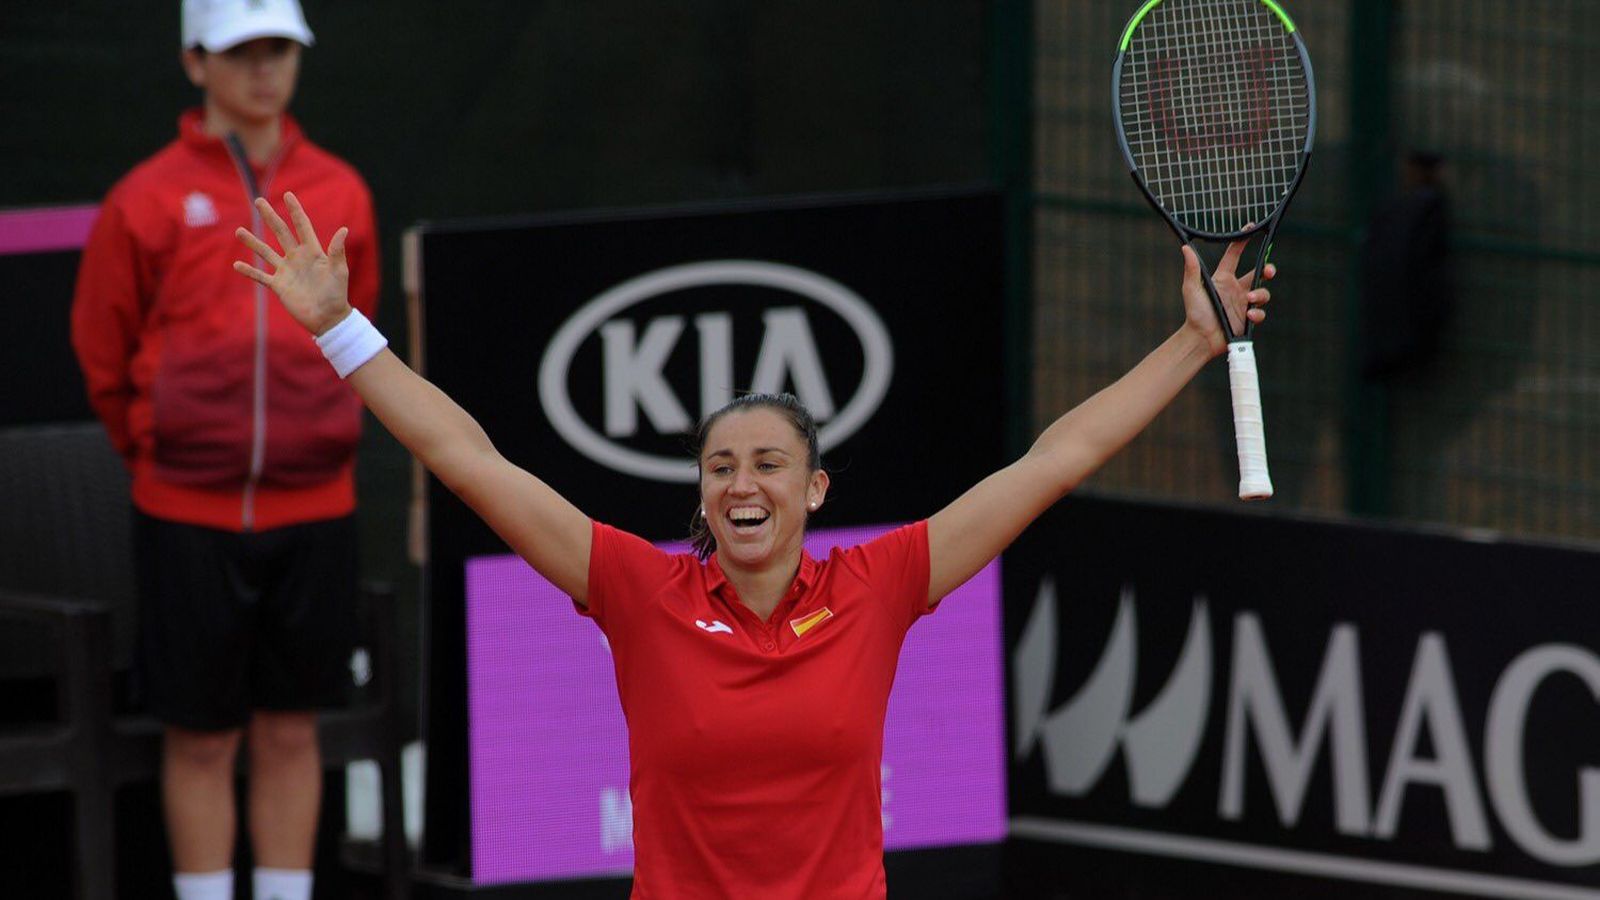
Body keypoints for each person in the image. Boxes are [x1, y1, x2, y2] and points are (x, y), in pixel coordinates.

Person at [233, 192, 1270, 899]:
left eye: (769, 464)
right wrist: (340, 331)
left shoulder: (882, 583)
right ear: (701, 493)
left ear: (814, 490)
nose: (742, 484)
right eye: (721, 466)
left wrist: (1192, 341)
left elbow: (1054, 460)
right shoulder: (635, 590)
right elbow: (468, 461)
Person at [69, 1, 379, 898]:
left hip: (317, 507)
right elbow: (103, 351)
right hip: (186, 514)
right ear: (195, 62)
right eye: (240, 52)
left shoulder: (342, 188)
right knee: (200, 738)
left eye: (278, 48)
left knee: (291, 729)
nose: (263, 69)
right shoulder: (145, 196)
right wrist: (158, 450)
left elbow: (365, 342)